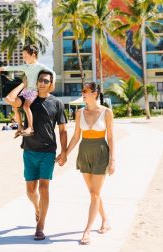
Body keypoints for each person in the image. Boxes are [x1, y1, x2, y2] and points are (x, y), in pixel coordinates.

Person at [7, 70, 67, 241]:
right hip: (29, 150)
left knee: (43, 188)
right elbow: (10, 99)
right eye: (39, 80)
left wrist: (64, 152)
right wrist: (24, 84)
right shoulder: (28, 97)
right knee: (30, 191)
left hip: (48, 151)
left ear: (51, 84)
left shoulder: (57, 103)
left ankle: (40, 226)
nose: (41, 83)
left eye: (45, 80)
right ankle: (37, 209)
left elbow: (62, 130)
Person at [56, 82, 115, 245]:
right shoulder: (79, 112)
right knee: (93, 193)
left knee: (95, 194)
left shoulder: (106, 112)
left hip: (101, 153)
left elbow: (110, 137)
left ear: (95, 93)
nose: (82, 93)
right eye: (82, 90)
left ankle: (87, 231)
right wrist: (64, 154)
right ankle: (105, 220)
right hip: (84, 152)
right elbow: (76, 137)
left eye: (85, 91)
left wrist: (113, 160)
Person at [0, 45, 55, 138]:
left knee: (26, 106)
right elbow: (12, 68)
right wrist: (1, 69)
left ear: (33, 55)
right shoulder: (26, 66)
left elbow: (53, 73)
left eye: (25, 56)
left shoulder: (40, 67)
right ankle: (20, 126)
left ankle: (30, 127)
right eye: (23, 56)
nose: (23, 58)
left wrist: (52, 84)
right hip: (26, 90)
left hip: (33, 91)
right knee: (14, 106)